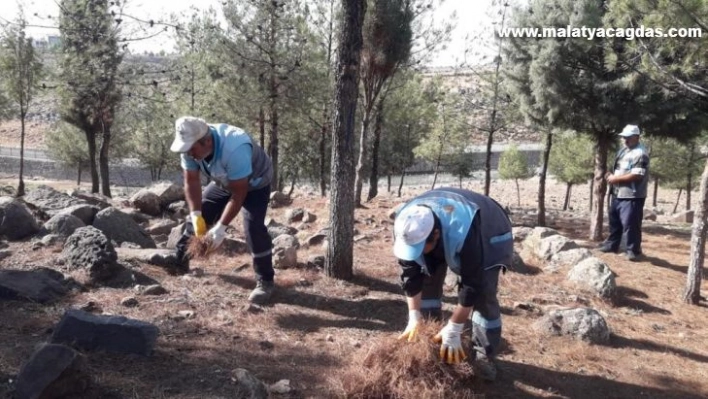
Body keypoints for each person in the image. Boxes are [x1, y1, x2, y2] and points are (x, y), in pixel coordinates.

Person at [393, 188, 513, 381]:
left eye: (421, 248)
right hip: (447, 224)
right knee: (427, 282)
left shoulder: (464, 228)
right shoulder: (405, 225)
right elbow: (410, 274)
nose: (416, 253)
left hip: (488, 231)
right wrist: (414, 316)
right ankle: (430, 341)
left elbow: (472, 284)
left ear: (436, 235)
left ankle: (483, 355)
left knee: (484, 296)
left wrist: (455, 327)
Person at [167, 116, 275, 304]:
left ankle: (265, 280)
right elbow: (191, 181)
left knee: (253, 228)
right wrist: (196, 215)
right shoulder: (190, 147)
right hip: (225, 181)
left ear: (207, 141)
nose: (189, 153)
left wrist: (221, 228)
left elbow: (239, 193)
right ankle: (179, 260)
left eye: (192, 148)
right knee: (202, 213)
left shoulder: (235, 149)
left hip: (254, 183)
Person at [600, 124, 650, 261]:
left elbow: (637, 175)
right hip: (618, 193)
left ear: (636, 137)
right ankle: (612, 245)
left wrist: (615, 178)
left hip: (632, 195)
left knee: (631, 224)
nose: (625, 140)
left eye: (628, 137)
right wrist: (611, 175)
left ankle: (633, 250)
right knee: (615, 221)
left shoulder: (640, 153)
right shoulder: (623, 151)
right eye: (623, 137)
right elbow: (620, 169)